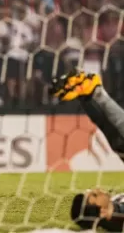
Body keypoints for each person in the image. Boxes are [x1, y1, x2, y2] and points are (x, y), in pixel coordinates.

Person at [51, 69, 124, 231]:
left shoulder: (117, 204)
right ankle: (93, 93)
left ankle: (87, 95)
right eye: (94, 196)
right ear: (103, 213)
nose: (96, 189)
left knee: (117, 140)